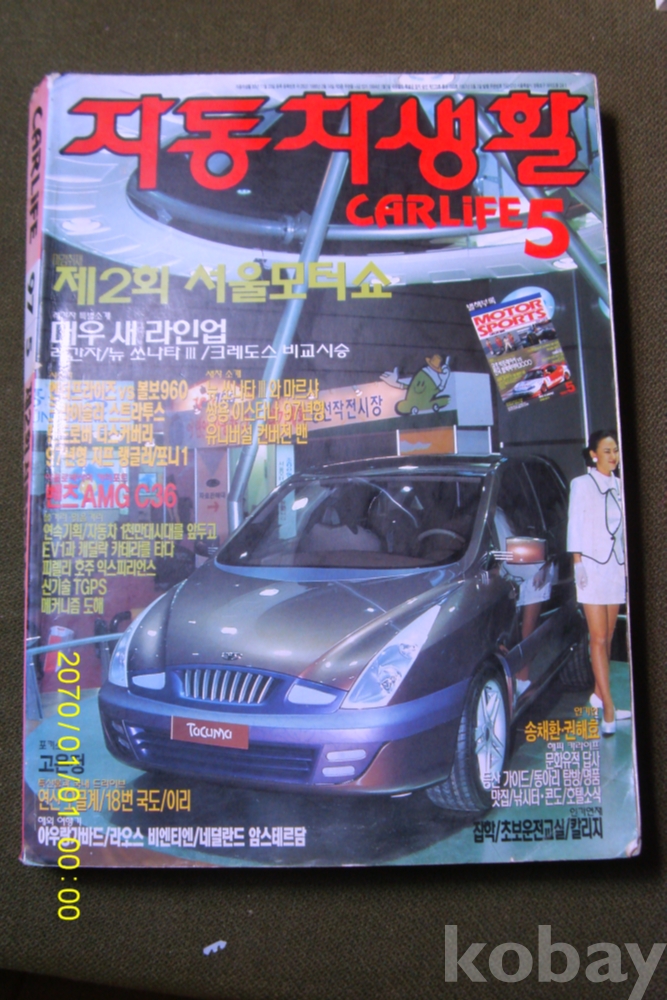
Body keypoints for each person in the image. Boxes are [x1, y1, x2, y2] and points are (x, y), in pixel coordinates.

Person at [567, 429, 630, 735]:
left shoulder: (619, 486)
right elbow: (574, 525)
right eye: (607, 451)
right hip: (590, 568)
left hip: (615, 567)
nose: (613, 456)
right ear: (593, 455)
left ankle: (598, 693)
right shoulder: (581, 484)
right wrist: (577, 563)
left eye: (615, 450)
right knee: (599, 637)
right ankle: (609, 708)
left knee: (610, 634)